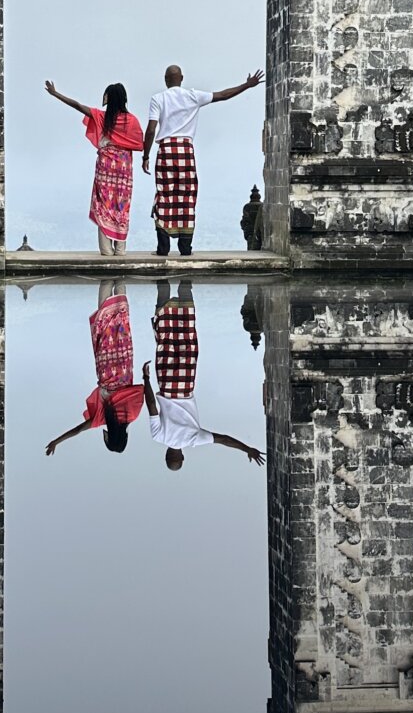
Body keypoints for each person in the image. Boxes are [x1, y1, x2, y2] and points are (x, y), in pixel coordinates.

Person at [141, 64, 263, 256]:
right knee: (187, 196)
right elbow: (223, 95)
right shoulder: (193, 96)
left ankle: (163, 247)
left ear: (166, 80)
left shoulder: (158, 99)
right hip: (186, 150)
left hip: (165, 150)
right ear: (181, 78)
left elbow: (150, 129)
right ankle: (185, 247)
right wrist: (247, 85)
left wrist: (146, 155)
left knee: (164, 196)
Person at [142, 282, 265, 472]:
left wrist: (247, 449)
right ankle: (163, 287)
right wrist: (145, 380)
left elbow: (223, 439)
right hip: (166, 384)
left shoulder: (193, 439)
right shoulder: (159, 437)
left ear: (182, 455)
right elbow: (151, 406)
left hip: (186, 384)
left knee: (188, 341)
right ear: (166, 454)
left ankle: (185, 289)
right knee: (165, 340)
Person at [45, 78, 145, 254]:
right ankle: (120, 248)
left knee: (104, 203)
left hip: (105, 165)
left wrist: (55, 94)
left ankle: (106, 249)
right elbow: (139, 142)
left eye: (106, 94)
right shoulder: (132, 121)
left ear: (110, 98)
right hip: (123, 168)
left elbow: (76, 105)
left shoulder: (102, 117)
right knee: (121, 204)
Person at [46, 281, 145, 457]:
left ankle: (120, 277)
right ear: (109, 438)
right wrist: (56, 441)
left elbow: (139, 390)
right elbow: (77, 430)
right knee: (103, 325)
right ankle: (107, 278)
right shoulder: (101, 419)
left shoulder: (133, 414)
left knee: (122, 323)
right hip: (105, 367)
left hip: (124, 363)